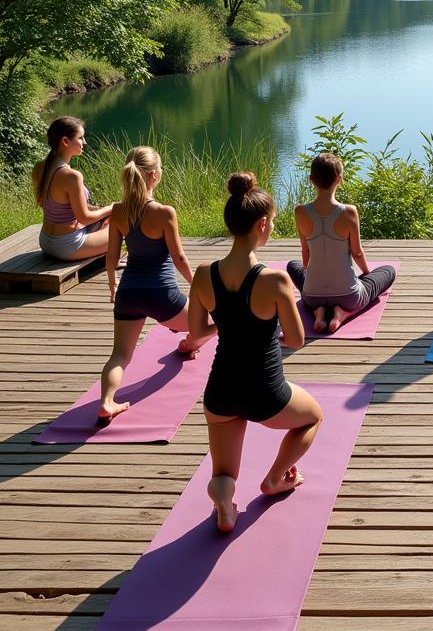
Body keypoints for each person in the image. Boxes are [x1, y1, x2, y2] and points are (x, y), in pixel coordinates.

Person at [189, 172, 323, 533]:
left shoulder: (203, 275)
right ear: (262, 224)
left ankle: (223, 498)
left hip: (219, 393)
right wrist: (266, 324)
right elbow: (296, 339)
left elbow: (197, 332)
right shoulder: (275, 280)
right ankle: (276, 478)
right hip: (265, 393)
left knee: (223, 472)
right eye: (273, 222)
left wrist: (230, 321)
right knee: (313, 418)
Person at [98, 147, 214, 422]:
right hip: (163, 296)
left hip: (128, 293)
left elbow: (112, 256)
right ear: (154, 175)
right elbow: (180, 257)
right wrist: (198, 289)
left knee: (120, 355)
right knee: (210, 321)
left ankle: (106, 402)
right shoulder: (164, 212)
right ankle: (189, 342)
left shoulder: (117, 211)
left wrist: (113, 285)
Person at [286, 153, 397, 333]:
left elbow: (305, 254)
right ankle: (342, 314)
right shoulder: (349, 212)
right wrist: (367, 275)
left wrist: (313, 278)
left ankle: (319, 313)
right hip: (349, 296)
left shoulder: (300, 212)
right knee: (388, 271)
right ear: (339, 179)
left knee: (293, 266)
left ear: (311, 180)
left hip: (311, 296)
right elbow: (357, 253)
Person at [32, 116, 112, 260]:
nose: (85, 142)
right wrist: (111, 208)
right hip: (68, 246)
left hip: (45, 241)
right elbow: (84, 218)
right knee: (125, 221)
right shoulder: (72, 176)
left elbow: (56, 206)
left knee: (106, 217)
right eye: (81, 138)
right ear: (65, 141)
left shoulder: (39, 167)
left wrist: (100, 210)